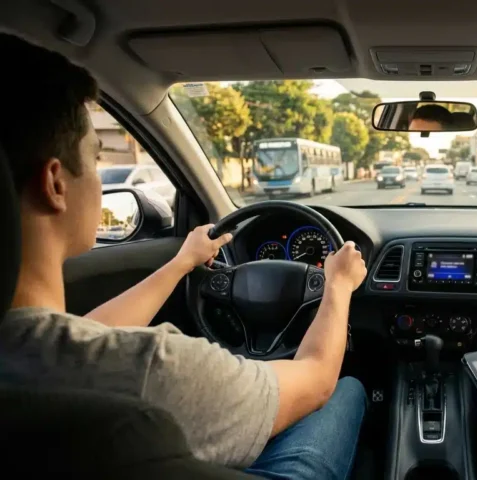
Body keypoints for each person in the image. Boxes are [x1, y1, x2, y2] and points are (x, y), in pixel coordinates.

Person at [0, 33, 368, 480]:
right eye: (95, 160)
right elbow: (316, 379)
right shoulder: (153, 370)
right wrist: (338, 285)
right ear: (55, 184)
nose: (98, 180)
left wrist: (181, 263)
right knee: (348, 388)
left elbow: (83, 333)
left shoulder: (38, 354)